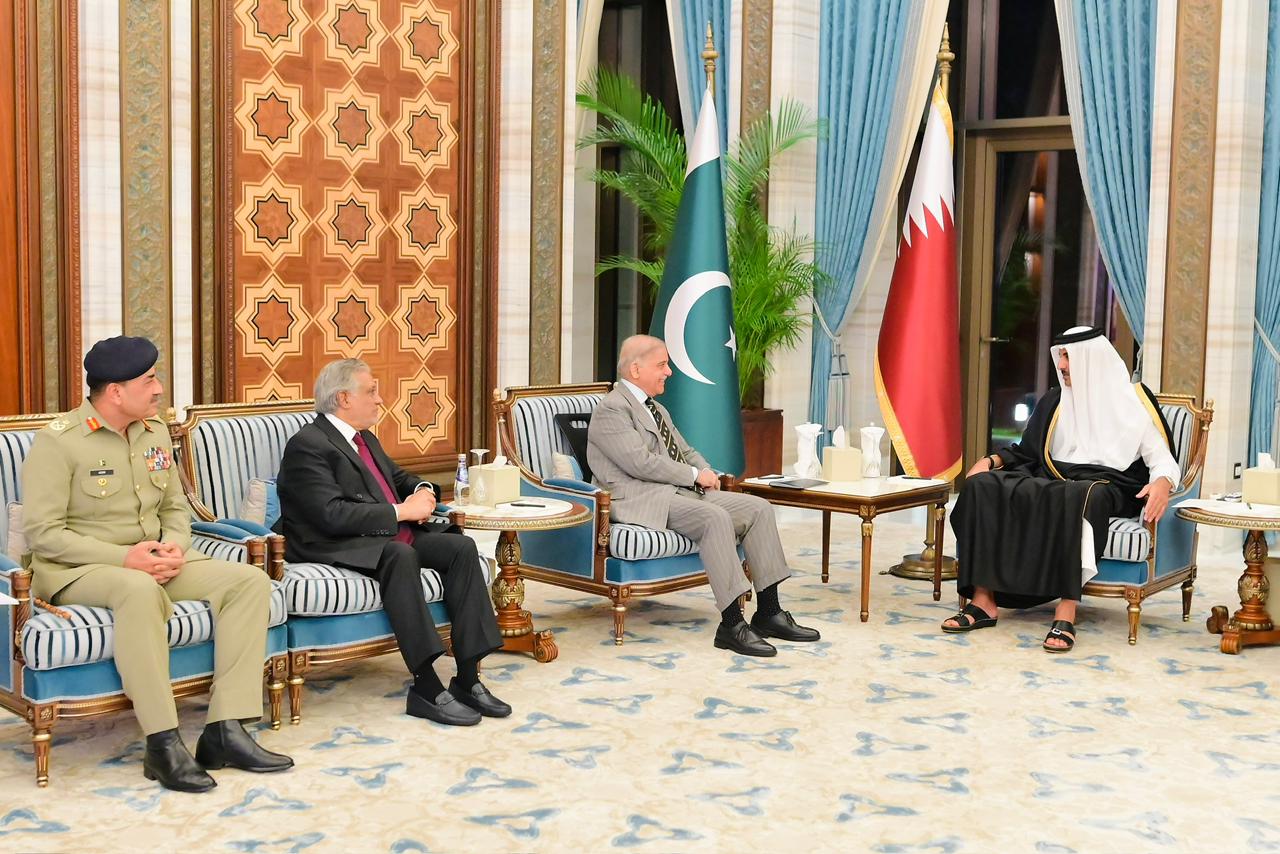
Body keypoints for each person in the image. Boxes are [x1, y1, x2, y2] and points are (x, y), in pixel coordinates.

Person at [22, 336, 293, 793]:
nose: (159, 388)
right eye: (148, 380)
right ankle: (162, 743)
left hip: (153, 559)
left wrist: (174, 547)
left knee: (248, 581)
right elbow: (44, 534)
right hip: (80, 569)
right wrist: (125, 558)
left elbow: (174, 509)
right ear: (115, 391)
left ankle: (226, 730)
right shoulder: (59, 441)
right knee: (139, 589)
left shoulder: (155, 432)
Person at [274, 358, 506, 726]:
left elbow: (399, 479)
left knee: (461, 548)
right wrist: (401, 511)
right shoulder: (308, 445)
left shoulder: (364, 438)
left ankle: (467, 678)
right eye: (371, 392)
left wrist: (423, 491)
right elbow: (330, 515)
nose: (380, 400)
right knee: (400, 554)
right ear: (344, 398)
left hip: (381, 534)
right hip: (333, 542)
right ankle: (426, 687)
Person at [943, 327, 1181, 652]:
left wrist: (1163, 483)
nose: (1062, 365)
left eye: (1069, 357)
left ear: (1091, 360)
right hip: (1055, 478)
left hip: (1106, 485)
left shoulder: (1133, 403)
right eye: (1061, 356)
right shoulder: (1055, 401)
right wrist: (990, 460)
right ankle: (983, 600)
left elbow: (1163, 461)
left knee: (1083, 495)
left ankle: (1066, 610)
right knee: (982, 485)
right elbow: (1027, 451)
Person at [586, 334, 820, 657]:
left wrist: (706, 472)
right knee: (714, 518)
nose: (669, 372)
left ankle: (769, 612)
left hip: (676, 491)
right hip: (641, 499)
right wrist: (694, 476)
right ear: (636, 369)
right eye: (662, 365)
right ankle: (731, 626)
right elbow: (641, 463)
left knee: (758, 509)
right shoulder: (612, 409)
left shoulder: (655, 408)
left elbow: (685, 451)